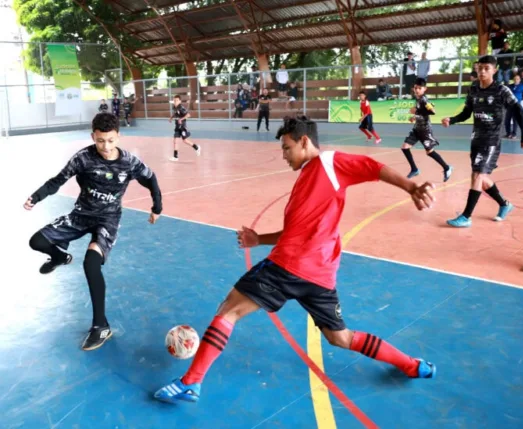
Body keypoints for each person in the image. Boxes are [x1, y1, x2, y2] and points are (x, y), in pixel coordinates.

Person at [154, 116, 437, 404]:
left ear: (304, 141)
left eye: (287, 148)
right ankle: (412, 365)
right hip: (319, 275)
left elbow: (372, 167)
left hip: (287, 268)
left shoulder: (329, 163)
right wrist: (258, 239)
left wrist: (410, 187)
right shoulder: (310, 177)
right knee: (340, 337)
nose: (284, 155)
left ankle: (191, 382)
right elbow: (294, 231)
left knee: (229, 311)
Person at [24, 113, 163, 351]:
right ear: (93, 137)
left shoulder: (129, 162)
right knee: (36, 241)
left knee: (91, 264)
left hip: (107, 220)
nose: (106, 147)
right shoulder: (83, 158)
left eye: (110, 140)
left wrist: (157, 207)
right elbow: (57, 180)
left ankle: (101, 326)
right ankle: (59, 256)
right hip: (80, 215)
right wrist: (36, 197)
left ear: (118, 136)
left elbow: (150, 179)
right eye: (100, 141)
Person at [442, 55, 523, 228]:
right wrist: (451, 120)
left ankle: (466, 216)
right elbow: (466, 112)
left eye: (486, 68)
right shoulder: (474, 88)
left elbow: (519, 111)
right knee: (480, 177)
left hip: (492, 139)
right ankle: (505, 204)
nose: (482, 71)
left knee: (477, 175)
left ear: (494, 70)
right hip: (476, 138)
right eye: (480, 68)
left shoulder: (501, 90)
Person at [402, 77, 452, 181]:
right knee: (405, 147)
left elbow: (431, 113)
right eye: (415, 88)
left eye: (419, 88)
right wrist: (415, 115)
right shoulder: (418, 99)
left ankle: (447, 168)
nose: (417, 90)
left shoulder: (424, 100)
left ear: (425, 89)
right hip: (417, 129)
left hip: (425, 130)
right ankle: (414, 169)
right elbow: (421, 113)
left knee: (430, 152)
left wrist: (415, 115)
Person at [169, 95, 201, 161]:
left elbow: (188, 115)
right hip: (177, 126)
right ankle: (175, 157)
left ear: (180, 101)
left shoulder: (181, 107)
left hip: (182, 127)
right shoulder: (174, 107)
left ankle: (196, 147)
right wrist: (171, 117)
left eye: (177, 100)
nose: (175, 101)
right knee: (175, 141)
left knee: (185, 140)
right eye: (174, 100)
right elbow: (175, 113)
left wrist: (181, 119)